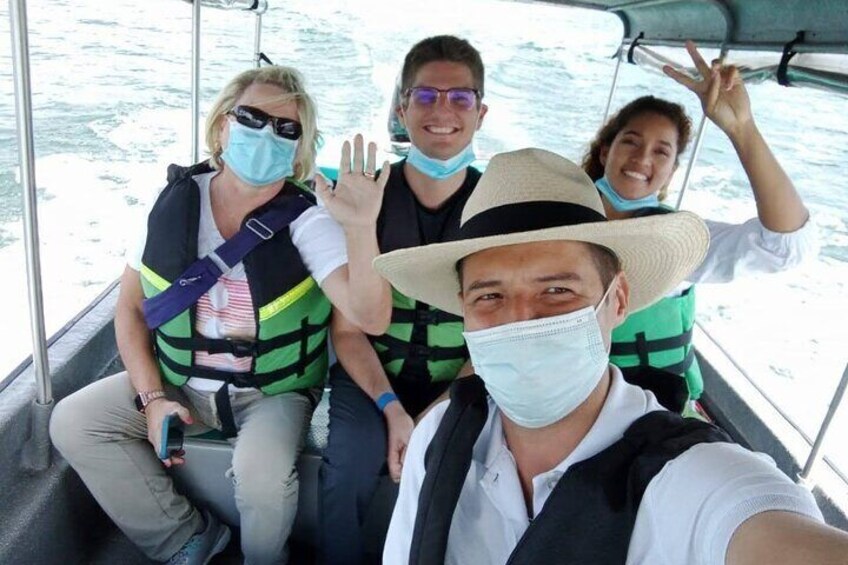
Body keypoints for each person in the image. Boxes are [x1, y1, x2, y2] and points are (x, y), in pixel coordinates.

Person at [376, 148, 848, 564]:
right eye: (489, 297)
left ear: (617, 299)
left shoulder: (692, 477)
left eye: (557, 290)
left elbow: (766, 531)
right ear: (464, 312)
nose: (521, 320)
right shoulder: (438, 435)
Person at [49, 65, 391, 565]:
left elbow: (371, 317)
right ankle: (188, 541)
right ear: (221, 126)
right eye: (251, 117)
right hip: (178, 380)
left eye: (286, 128)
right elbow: (129, 309)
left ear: (300, 148)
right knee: (75, 420)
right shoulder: (171, 202)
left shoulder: (311, 219)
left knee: (261, 476)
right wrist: (152, 397)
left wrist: (360, 228)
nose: (265, 134)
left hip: (271, 392)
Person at [319, 35, 487, 564]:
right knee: (347, 463)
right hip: (370, 374)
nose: (443, 111)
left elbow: (489, 337)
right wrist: (393, 409)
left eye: (460, 98)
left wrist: (435, 413)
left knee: (449, 468)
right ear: (402, 108)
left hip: (460, 381)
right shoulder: (363, 197)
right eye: (426, 96)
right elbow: (346, 331)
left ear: (480, 113)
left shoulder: (494, 211)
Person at [583, 41, 817, 402]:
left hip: (652, 414)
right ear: (605, 151)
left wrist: (742, 128)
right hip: (570, 405)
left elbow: (784, 247)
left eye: (661, 151)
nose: (643, 157)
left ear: (671, 171)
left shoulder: (680, 243)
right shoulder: (558, 218)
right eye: (630, 142)